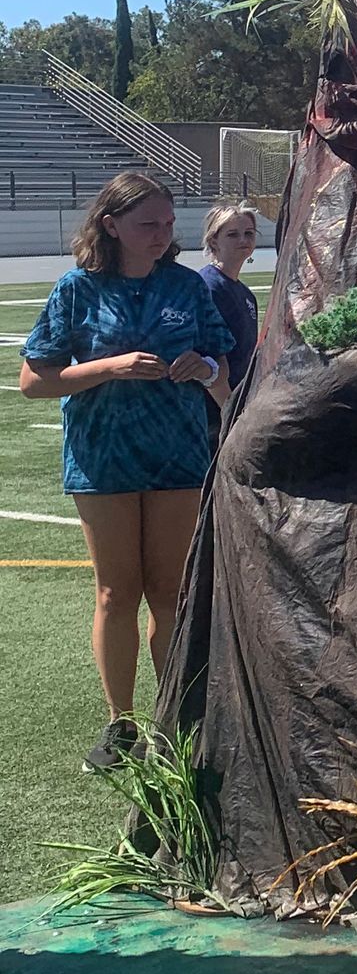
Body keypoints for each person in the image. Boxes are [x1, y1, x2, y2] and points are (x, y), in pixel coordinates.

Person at [19, 171, 233, 772]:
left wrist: (204, 367)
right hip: (102, 457)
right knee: (116, 593)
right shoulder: (77, 288)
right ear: (110, 226)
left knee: (170, 592)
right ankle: (120, 723)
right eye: (147, 225)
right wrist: (108, 368)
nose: (162, 235)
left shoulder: (186, 285)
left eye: (168, 224)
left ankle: (175, 720)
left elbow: (221, 371)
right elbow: (34, 381)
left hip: (178, 456)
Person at [198, 202, 260, 445]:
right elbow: (208, 359)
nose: (243, 240)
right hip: (212, 415)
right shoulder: (208, 287)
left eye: (249, 233)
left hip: (237, 405)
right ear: (214, 241)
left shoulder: (246, 294)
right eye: (232, 234)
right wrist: (231, 417)